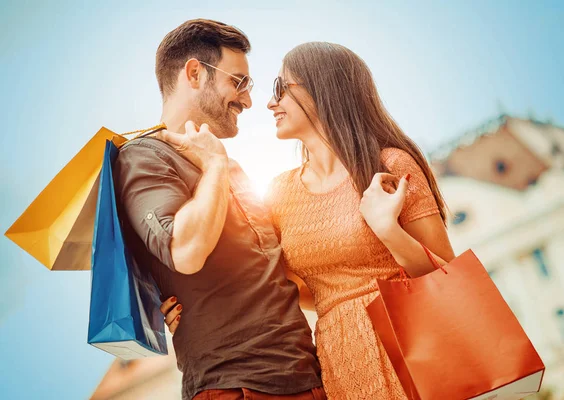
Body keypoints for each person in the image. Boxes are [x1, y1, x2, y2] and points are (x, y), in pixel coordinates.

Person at [167, 42, 456, 399]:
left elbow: (448, 276)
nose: (270, 103)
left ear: (323, 90)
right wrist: (191, 307)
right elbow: (287, 288)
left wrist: (387, 230)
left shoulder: (390, 166)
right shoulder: (279, 193)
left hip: (411, 349)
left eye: (280, 88)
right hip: (338, 362)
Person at [114, 19, 324, 400]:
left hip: (304, 380)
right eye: (238, 82)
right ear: (194, 73)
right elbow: (187, 251)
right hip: (234, 387)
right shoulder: (143, 158)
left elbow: (276, 275)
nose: (247, 100)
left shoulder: (232, 169)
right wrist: (214, 166)